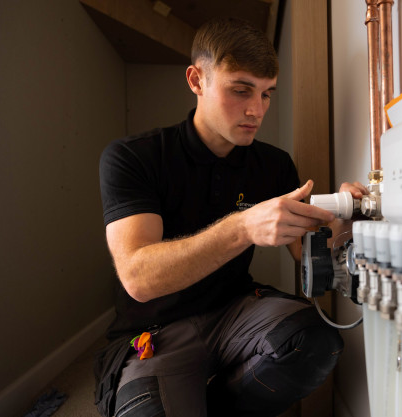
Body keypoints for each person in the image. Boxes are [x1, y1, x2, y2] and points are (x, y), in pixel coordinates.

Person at [94, 17, 368, 417]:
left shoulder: (273, 166)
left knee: (316, 342)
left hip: (236, 311)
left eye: (267, 94)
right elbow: (139, 277)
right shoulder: (134, 157)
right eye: (240, 90)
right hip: (156, 330)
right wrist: (243, 227)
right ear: (196, 80)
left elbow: (309, 257)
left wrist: (344, 220)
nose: (256, 110)